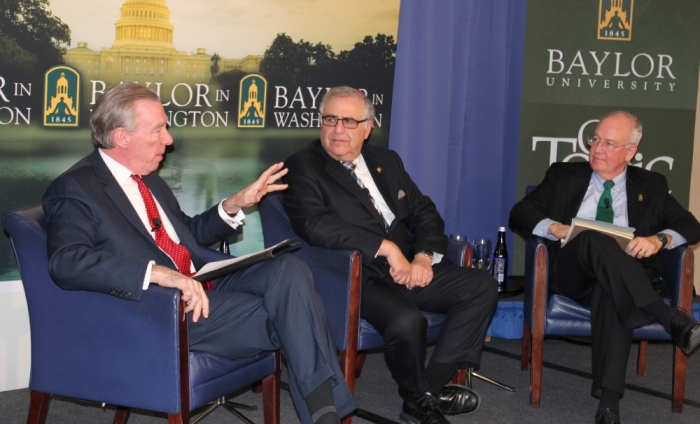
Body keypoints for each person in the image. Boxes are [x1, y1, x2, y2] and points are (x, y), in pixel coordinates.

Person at [42, 83, 356, 424]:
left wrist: (234, 204)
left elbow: (185, 236)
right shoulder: (75, 187)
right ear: (122, 137)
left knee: (289, 269)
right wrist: (158, 273)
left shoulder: (149, 178)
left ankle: (324, 414)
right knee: (295, 310)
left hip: (203, 280)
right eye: (159, 129)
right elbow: (67, 260)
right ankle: (325, 415)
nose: (169, 140)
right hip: (162, 309)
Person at [282, 86, 498, 424]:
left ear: (368, 128)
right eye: (331, 119)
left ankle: (425, 391)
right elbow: (315, 226)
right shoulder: (302, 167)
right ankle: (422, 398)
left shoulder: (386, 161)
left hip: (409, 267)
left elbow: (424, 212)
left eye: (350, 121)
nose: (338, 129)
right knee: (406, 320)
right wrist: (387, 248)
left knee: (482, 286)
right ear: (320, 122)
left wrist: (425, 257)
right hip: (354, 275)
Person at [509, 110, 700, 424]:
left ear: (630, 152)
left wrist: (659, 240)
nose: (596, 149)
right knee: (593, 237)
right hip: (573, 274)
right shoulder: (563, 175)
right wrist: (554, 227)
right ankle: (669, 317)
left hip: (624, 281)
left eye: (609, 144)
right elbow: (521, 212)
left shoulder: (652, 184)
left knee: (612, 290)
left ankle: (609, 407)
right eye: (595, 140)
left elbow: (690, 225)